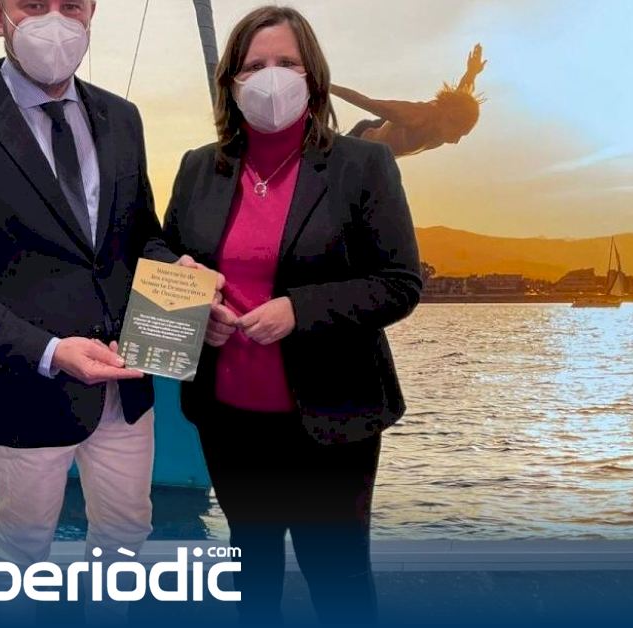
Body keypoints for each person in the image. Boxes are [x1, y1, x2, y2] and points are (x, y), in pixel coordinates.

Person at [0, 0, 214, 618]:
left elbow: (140, 237)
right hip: (25, 384)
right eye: (33, 4)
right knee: (20, 551)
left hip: (126, 382)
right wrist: (49, 351)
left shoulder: (122, 117)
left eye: (70, 4)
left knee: (127, 537)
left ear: (91, 11)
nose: (55, 19)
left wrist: (175, 269)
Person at [161, 6, 422, 625]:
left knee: (338, 577)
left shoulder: (363, 165)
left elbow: (399, 283)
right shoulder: (199, 167)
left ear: (313, 76)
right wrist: (194, 300)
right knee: (251, 569)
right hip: (228, 417)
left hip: (333, 417)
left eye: (285, 62)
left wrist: (298, 309)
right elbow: (165, 255)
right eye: (254, 66)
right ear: (231, 81)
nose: (270, 77)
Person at [334, 44, 487, 156]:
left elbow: (462, 91)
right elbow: (365, 102)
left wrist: (471, 72)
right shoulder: (415, 115)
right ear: (448, 117)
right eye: (458, 133)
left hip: (377, 155)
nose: (456, 140)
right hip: (360, 142)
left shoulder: (448, 118)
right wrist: (327, 86)